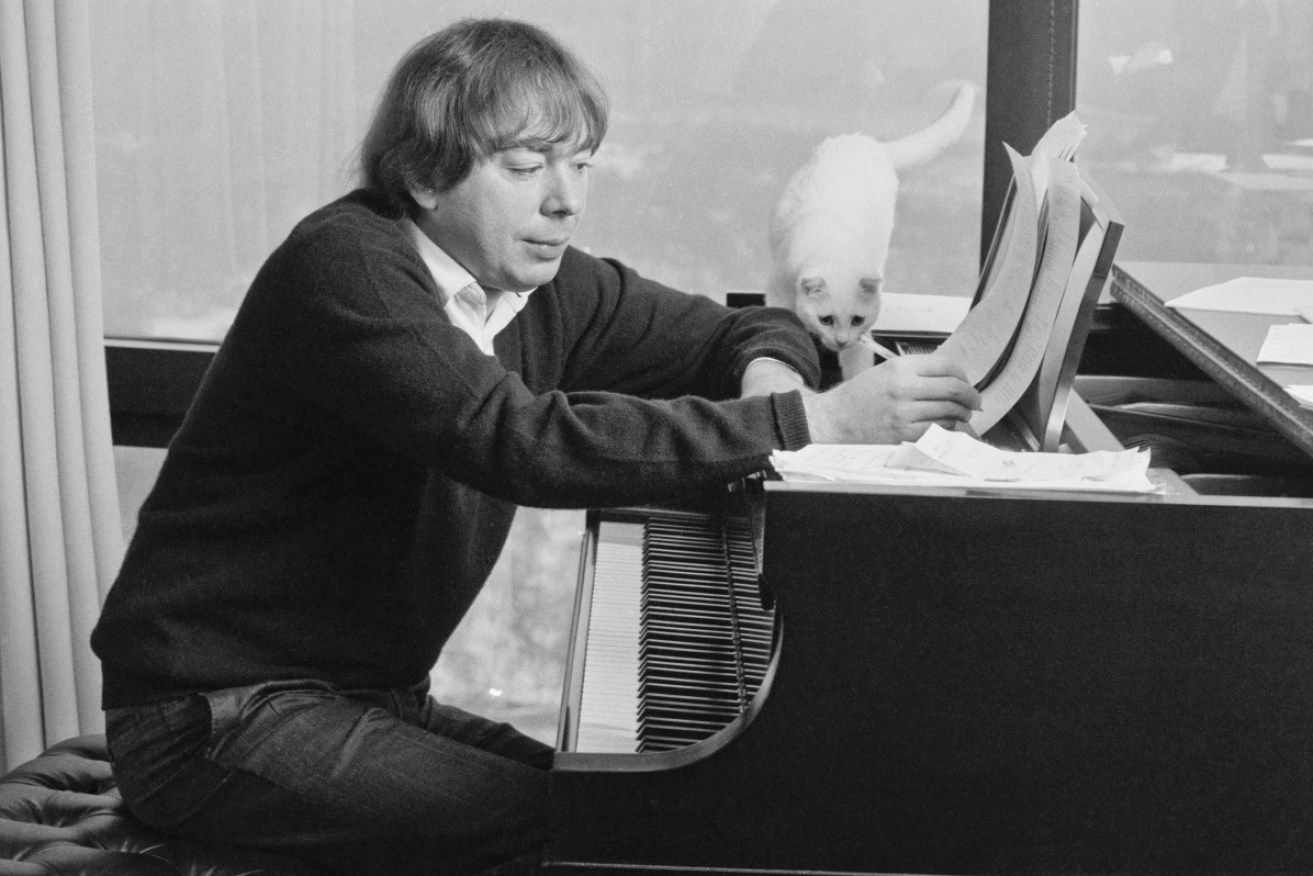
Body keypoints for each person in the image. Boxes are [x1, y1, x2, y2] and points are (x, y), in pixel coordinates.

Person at [90, 17, 980, 876]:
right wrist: (812, 423)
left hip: (355, 695)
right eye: (525, 167)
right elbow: (513, 440)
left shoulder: (537, 281)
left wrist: (771, 379)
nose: (566, 200)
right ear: (423, 176)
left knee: (642, 811)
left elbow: (732, 333)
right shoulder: (347, 270)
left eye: (580, 164)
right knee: (603, 833)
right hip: (211, 717)